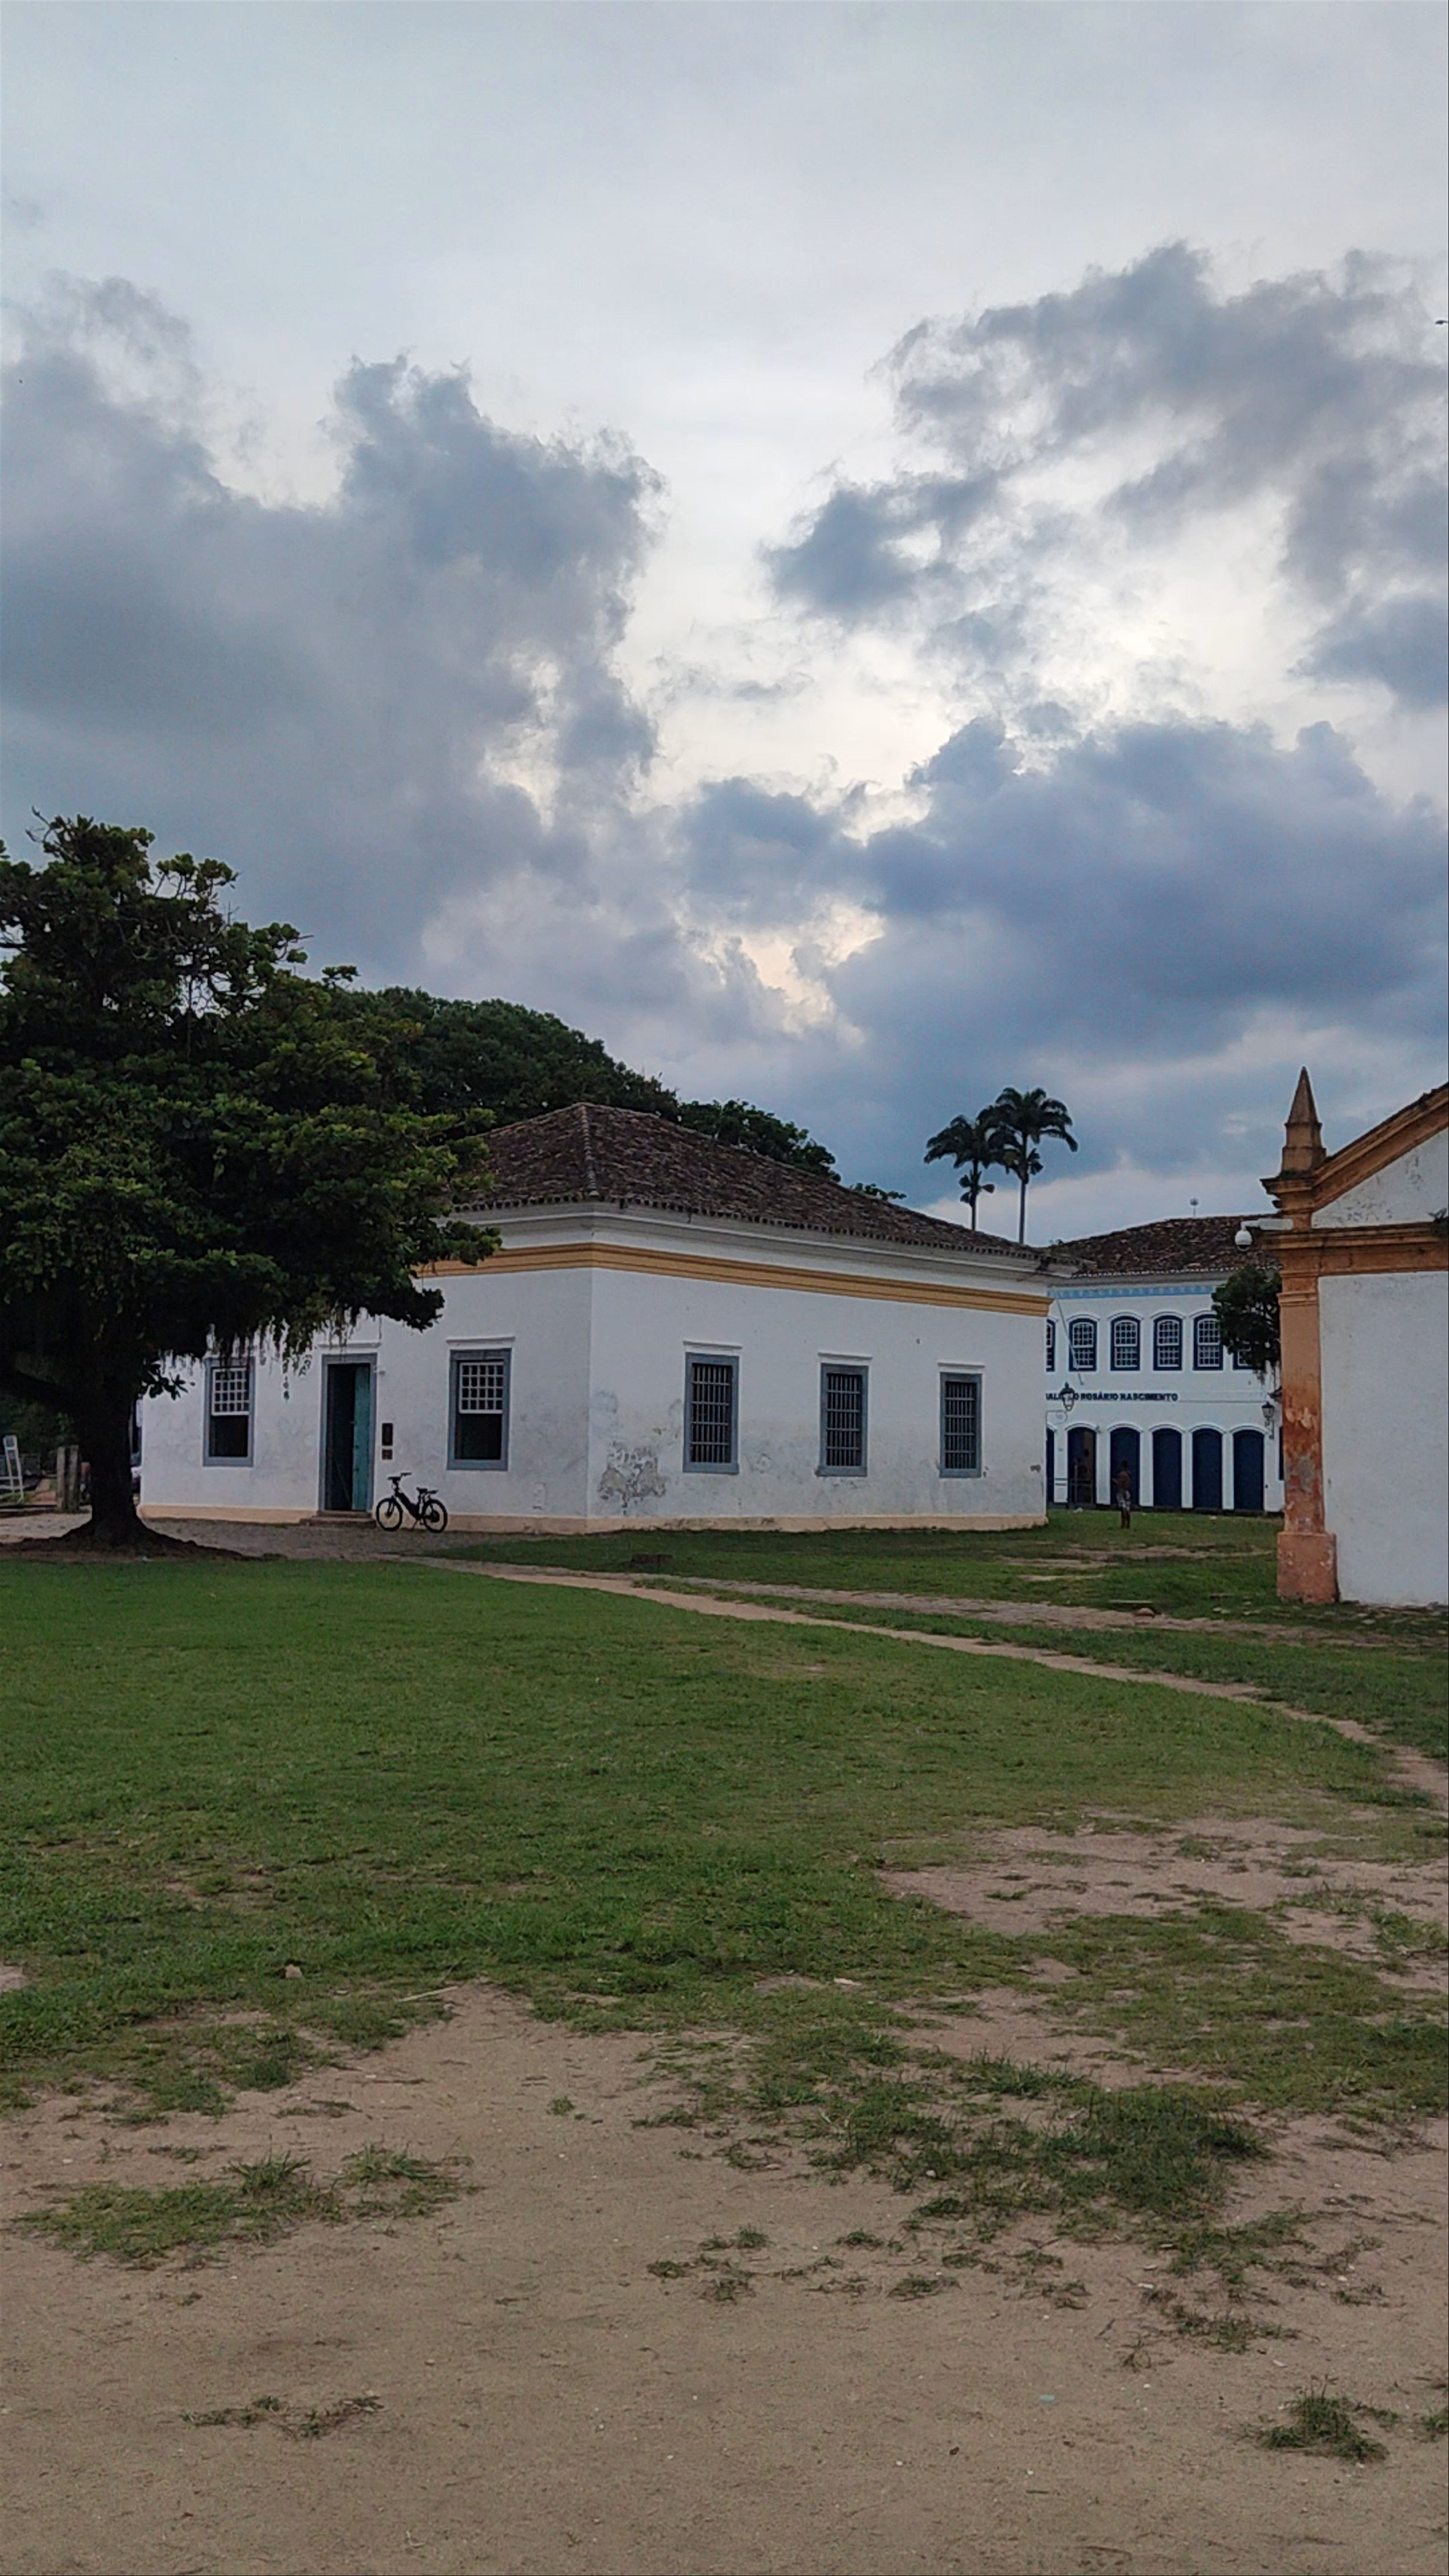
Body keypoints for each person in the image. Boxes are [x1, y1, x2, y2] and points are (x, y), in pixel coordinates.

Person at [1114, 1461, 1133, 1528]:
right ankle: (1128, 1524)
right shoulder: (1129, 1474)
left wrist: (1115, 1481)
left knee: (1123, 1508)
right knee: (1128, 1508)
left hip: (1122, 1492)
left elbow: (1120, 1483)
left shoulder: (1122, 1475)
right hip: (1128, 1492)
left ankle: (1123, 1524)